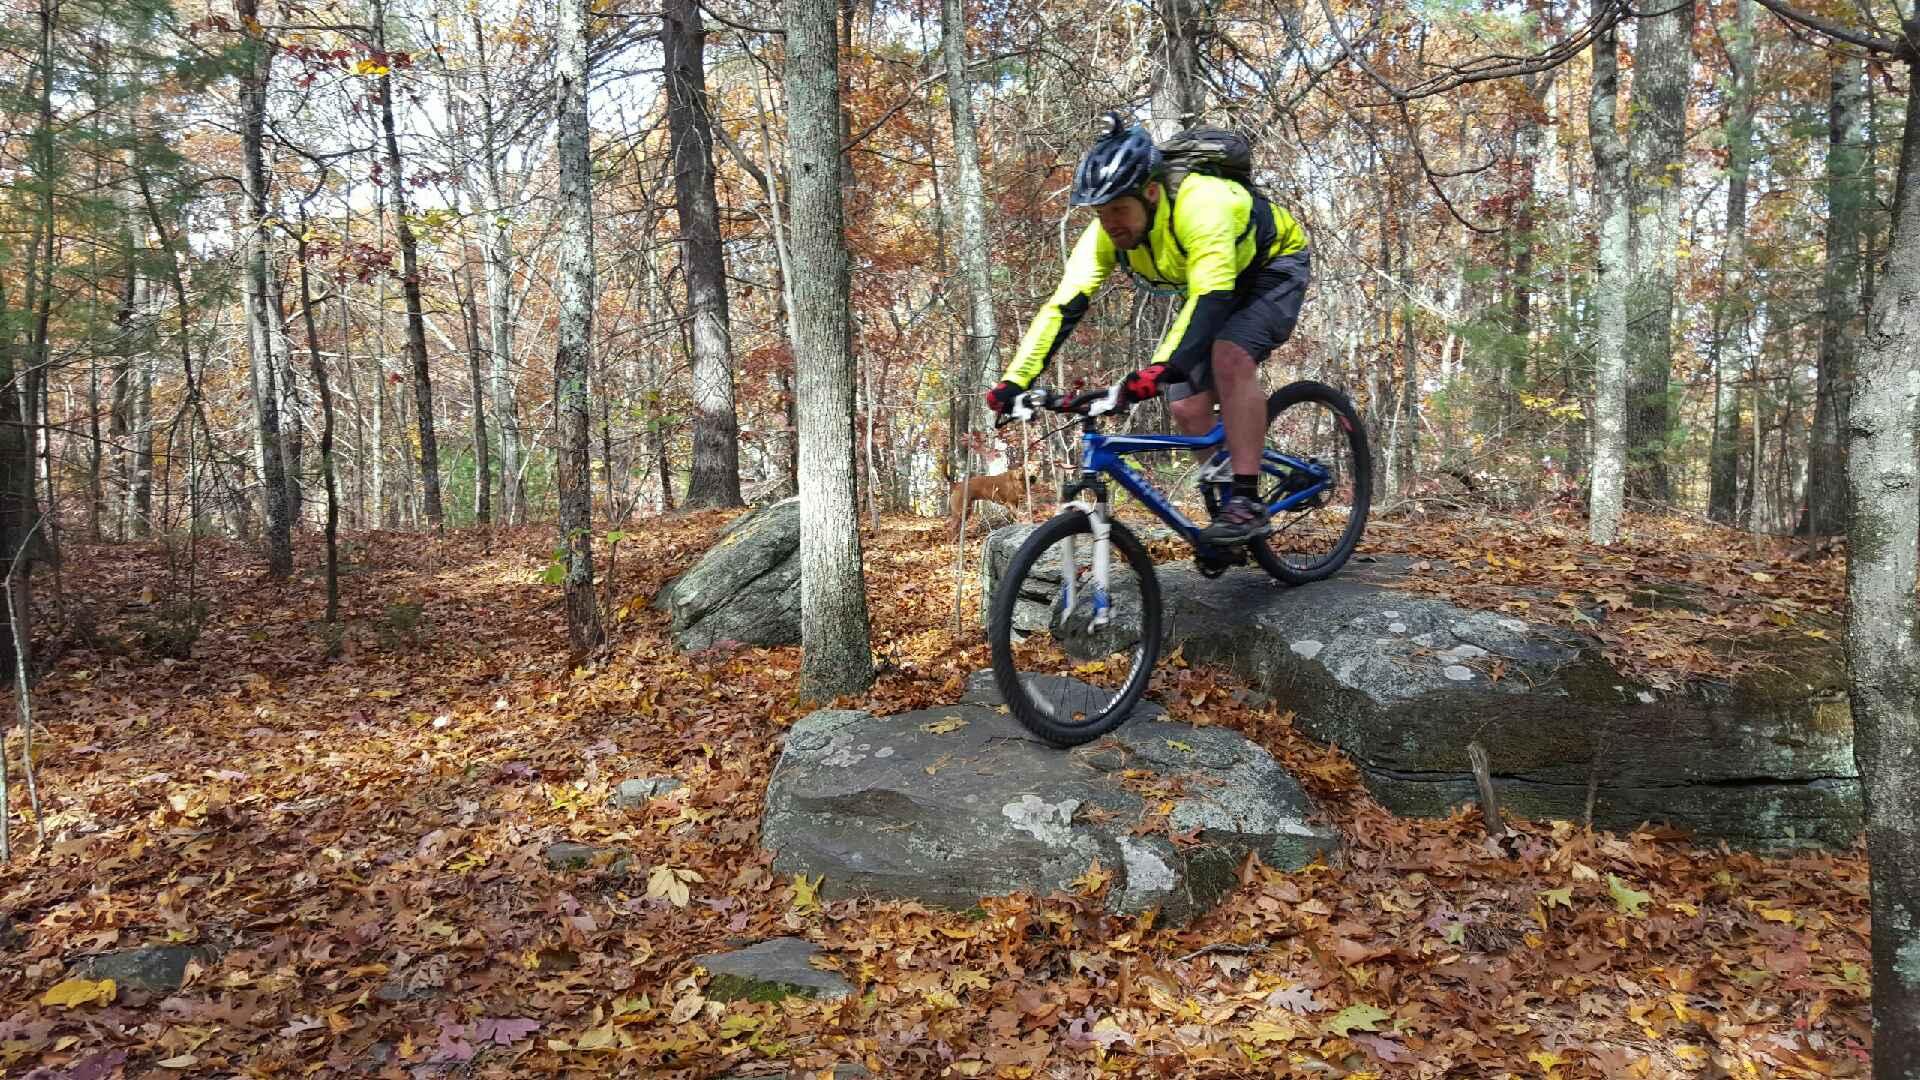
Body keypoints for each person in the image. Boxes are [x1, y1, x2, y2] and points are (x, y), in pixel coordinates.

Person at [984, 115, 1311, 544]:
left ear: (1152, 192)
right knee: (1185, 404)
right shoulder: (1106, 234)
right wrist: (1015, 379)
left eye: (1119, 209)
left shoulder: (1202, 203)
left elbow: (1211, 297)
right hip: (1215, 280)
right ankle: (1225, 504)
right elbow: (1063, 306)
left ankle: (1246, 501)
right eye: (1101, 213)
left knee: (1229, 356)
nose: (1111, 222)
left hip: (1272, 267)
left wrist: (1159, 369)